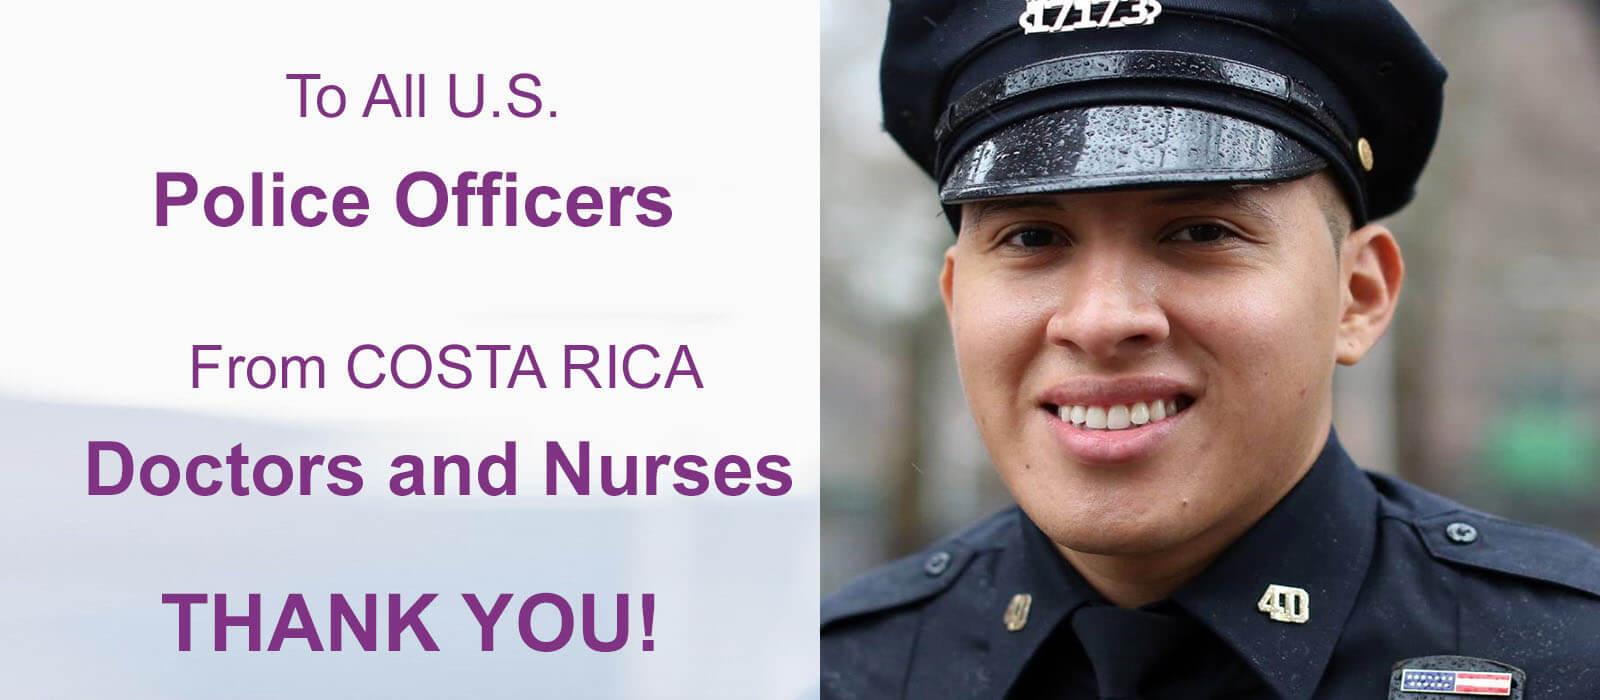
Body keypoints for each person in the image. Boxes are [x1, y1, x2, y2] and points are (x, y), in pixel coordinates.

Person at [821, 0, 1600, 697]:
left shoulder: (1570, 661)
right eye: (1033, 237)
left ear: (1358, 296)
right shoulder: (844, 672)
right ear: (956, 302)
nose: (1099, 321)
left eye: (1200, 232)